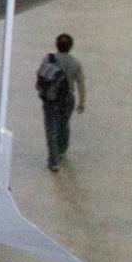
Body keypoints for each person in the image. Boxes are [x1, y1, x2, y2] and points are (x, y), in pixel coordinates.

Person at [37, 33, 88, 171]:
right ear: (71, 46)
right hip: (67, 98)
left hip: (51, 98)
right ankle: (62, 149)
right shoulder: (75, 63)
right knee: (64, 124)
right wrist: (82, 102)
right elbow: (81, 84)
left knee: (51, 128)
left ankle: (54, 161)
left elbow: (40, 74)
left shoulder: (49, 59)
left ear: (57, 45)